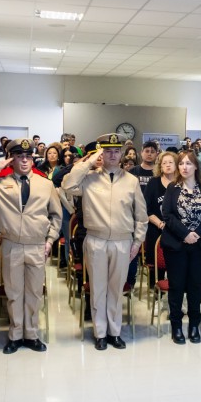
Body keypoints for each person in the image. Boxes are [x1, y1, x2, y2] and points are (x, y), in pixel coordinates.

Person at [0, 138, 62, 354]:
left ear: (32, 159)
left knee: (33, 293)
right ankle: (15, 334)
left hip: (37, 245)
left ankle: (31, 334)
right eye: (19, 156)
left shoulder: (45, 184)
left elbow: (56, 216)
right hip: (11, 244)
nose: (24, 160)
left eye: (28, 156)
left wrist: (50, 241)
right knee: (13, 293)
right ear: (11, 159)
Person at [62, 133, 147, 351]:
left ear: (121, 154)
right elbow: (67, 184)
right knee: (98, 288)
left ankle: (114, 332)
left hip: (122, 241)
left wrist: (137, 242)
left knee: (116, 289)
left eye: (115, 151)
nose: (112, 154)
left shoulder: (132, 181)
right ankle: (100, 333)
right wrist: (89, 161)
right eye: (107, 150)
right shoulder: (89, 178)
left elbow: (141, 216)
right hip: (96, 239)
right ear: (101, 153)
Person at [160, 150, 201, 345]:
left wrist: (197, 234)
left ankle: (194, 325)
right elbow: (167, 215)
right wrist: (185, 234)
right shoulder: (172, 188)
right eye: (181, 163)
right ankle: (176, 325)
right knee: (176, 286)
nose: (184, 167)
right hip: (176, 244)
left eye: (188, 164)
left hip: (198, 244)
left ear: (195, 167)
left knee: (194, 285)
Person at [144, 151, 177, 285]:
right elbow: (147, 209)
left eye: (171, 162)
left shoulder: (182, 183)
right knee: (157, 268)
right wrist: (160, 224)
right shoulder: (153, 183)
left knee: (175, 268)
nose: (168, 165)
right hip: (156, 230)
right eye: (164, 163)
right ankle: (156, 296)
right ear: (160, 166)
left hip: (177, 232)